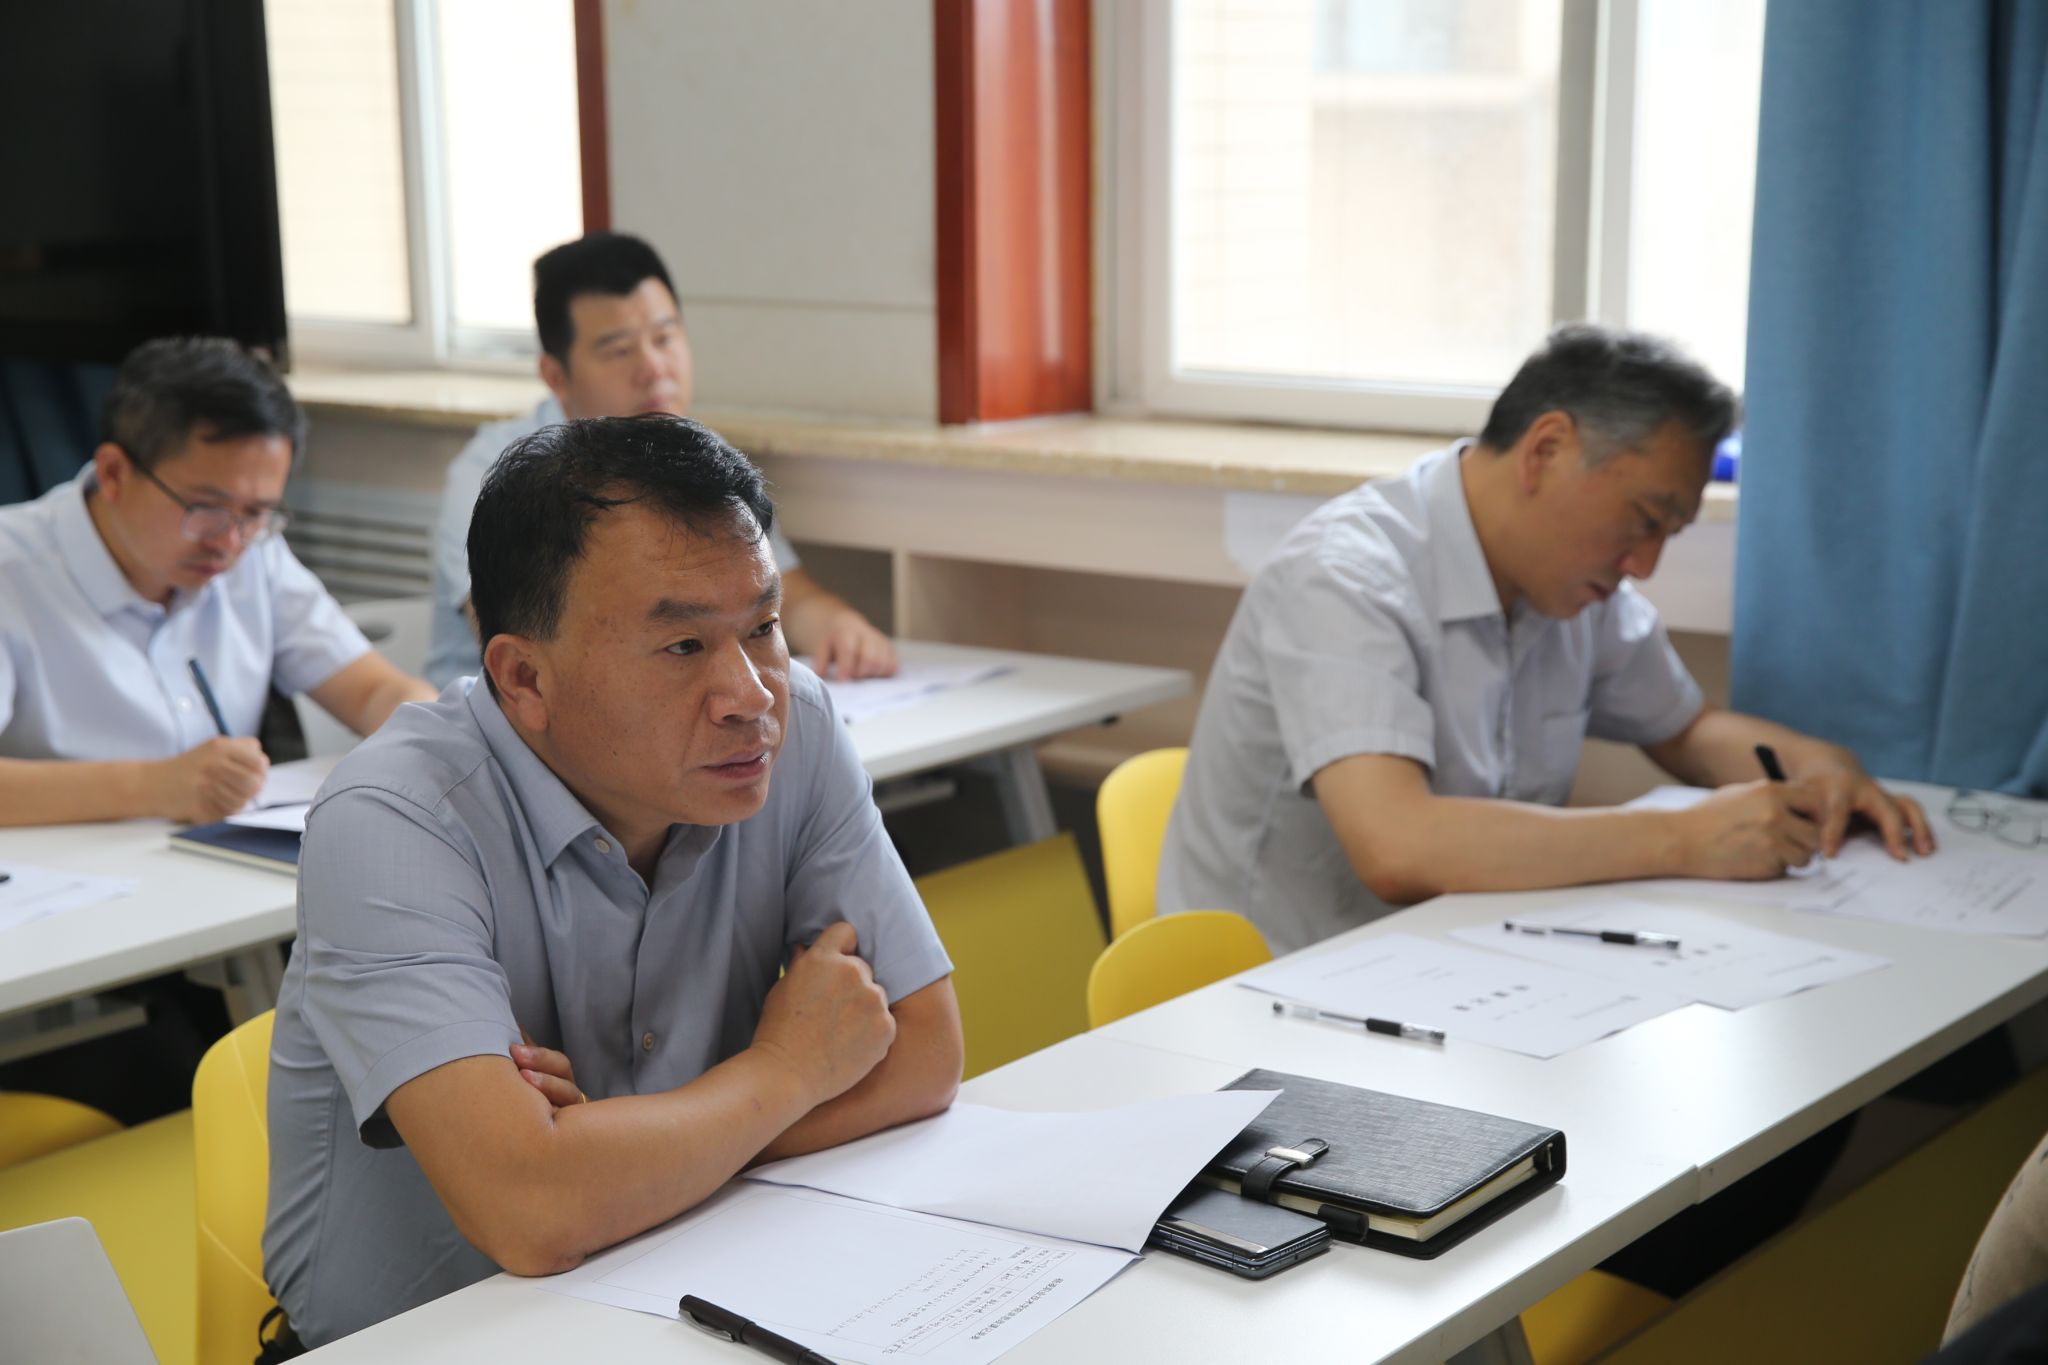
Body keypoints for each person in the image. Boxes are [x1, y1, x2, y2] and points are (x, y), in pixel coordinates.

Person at [264, 415, 962, 1349]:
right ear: (524, 677)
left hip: (686, 1297)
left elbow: (925, 1052)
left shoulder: (797, 732)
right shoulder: (393, 818)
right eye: (683, 647)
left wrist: (621, 1153)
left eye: (763, 626)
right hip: (427, 1344)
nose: (751, 694)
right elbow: (532, 1209)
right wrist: (789, 1069)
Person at [1159, 323, 1935, 955]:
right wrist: (1683, 837)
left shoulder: (1570, 586)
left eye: (1669, 534)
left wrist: (1816, 766)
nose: (1645, 564)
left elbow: (1688, 730)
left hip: (1461, 964)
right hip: (1281, 990)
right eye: (1644, 519)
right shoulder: (1346, 576)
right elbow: (1398, 845)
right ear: (1546, 450)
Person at [426, 231, 894, 687]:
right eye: (619, 350)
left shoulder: (696, 455)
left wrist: (839, 627)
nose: (653, 369)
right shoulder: (495, 477)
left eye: (665, 338)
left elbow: (779, 592)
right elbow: (531, 647)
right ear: (556, 376)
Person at [0, 337, 436, 827]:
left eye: (256, 512)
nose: (228, 541)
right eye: (204, 507)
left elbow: (373, 690)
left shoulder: (256, 552)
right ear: (114, 473)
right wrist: (150, 787)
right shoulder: (11, 570)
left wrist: (429, 738)